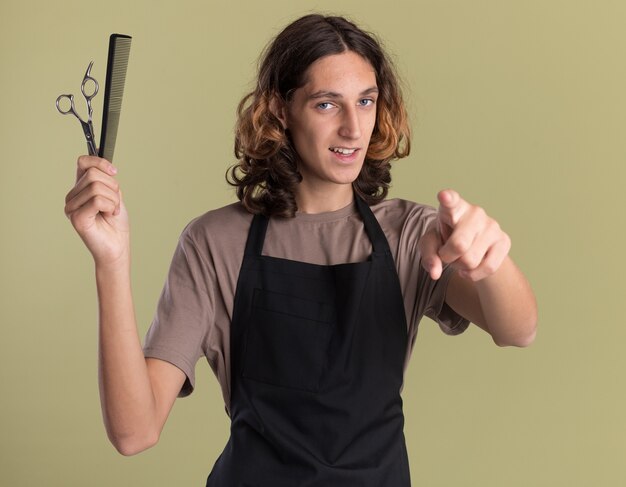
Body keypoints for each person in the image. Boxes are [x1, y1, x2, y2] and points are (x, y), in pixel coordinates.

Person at [64, 14, 537, 486]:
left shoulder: (411, 234)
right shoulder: (215, 243)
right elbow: (135, 432)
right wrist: (112, 261)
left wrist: (489, 258)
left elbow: (518, 329)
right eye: (327, 104)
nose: (354, 128)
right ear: (280, 110)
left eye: (366, 101)